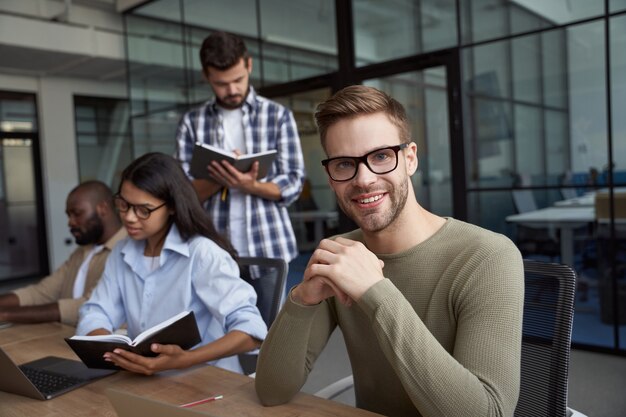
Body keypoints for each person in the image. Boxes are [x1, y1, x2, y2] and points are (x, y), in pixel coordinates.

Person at [254, 86, 524, 417]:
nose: (364, 179)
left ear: (409, 158)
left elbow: (488, 414)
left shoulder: (487, 256)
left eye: (381, 156)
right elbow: (270, 391)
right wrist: (302, 299)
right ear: (331, 175)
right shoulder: (342, 256)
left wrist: (376, 292)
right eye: (344, 164)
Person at [76, 153, 267, 375]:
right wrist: (116, 352)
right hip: (147, 378)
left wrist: (185, 359)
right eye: (123, 204)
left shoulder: (202, 254)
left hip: (206, 379)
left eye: (143, 210)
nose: (129, 217)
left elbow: (251, 331)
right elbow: (95, 311)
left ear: (172, 207)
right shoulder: (121, 252)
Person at [174, 31, 305, 317]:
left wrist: (251, 185)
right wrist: (218, 177)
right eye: (221, 84)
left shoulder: (277, 116)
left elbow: (294, 182)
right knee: (219, 336)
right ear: (206, 76)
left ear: (249, 66)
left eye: (237, 80)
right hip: (213, 251)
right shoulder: (191, 123)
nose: (231, 89)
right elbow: (182, 194)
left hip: (268, 248)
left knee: (271, 338)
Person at [0, 181, 125, 326]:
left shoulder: (126, 251)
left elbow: (87, 306)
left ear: (102, 208)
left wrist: (5, 314)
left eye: (77, 214)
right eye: (69, 215)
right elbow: (43, 292)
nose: (70, 222)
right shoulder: (83, 252)